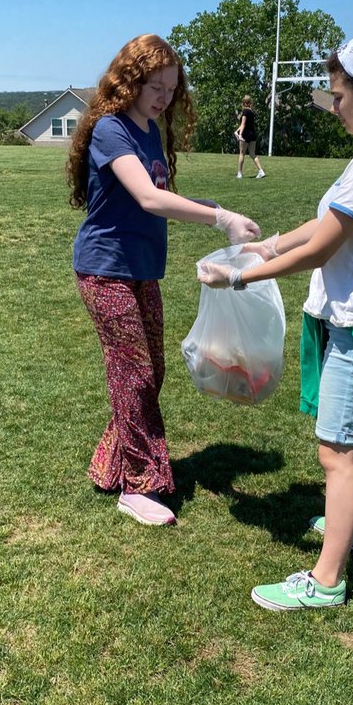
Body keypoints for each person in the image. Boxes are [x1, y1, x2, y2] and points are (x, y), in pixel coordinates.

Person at [199, 32, 353, 611]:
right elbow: (325, 227)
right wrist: (272, 245)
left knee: (336, 453)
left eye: (338, 96)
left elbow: (321, 251)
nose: (333, 107)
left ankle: (327, 580)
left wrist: (236, 277)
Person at [67, 34, 260, 527]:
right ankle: (140, 485)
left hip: (143, 269)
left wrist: (218, 209)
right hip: (104, 269)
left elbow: (163, 194)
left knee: (151, 370)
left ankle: (110, 464)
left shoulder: (151, 130)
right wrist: (219, 221)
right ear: (128, 81)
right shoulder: (112, 130)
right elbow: (149, 199)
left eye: (171, 89)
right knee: (134, 372)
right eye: (154, 86)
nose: (163, 97)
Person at [235, 96, 265, 179]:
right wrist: (236, 131)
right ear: (250, 103)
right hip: (252, 134)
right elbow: (244, 125)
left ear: (243, 103)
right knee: (252, 154)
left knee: (242, 153)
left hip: (245, 134)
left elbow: (243, 124)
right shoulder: (252, 112)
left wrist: (240, 134)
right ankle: (261, 171)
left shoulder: (245, 111)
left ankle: (239, 173)